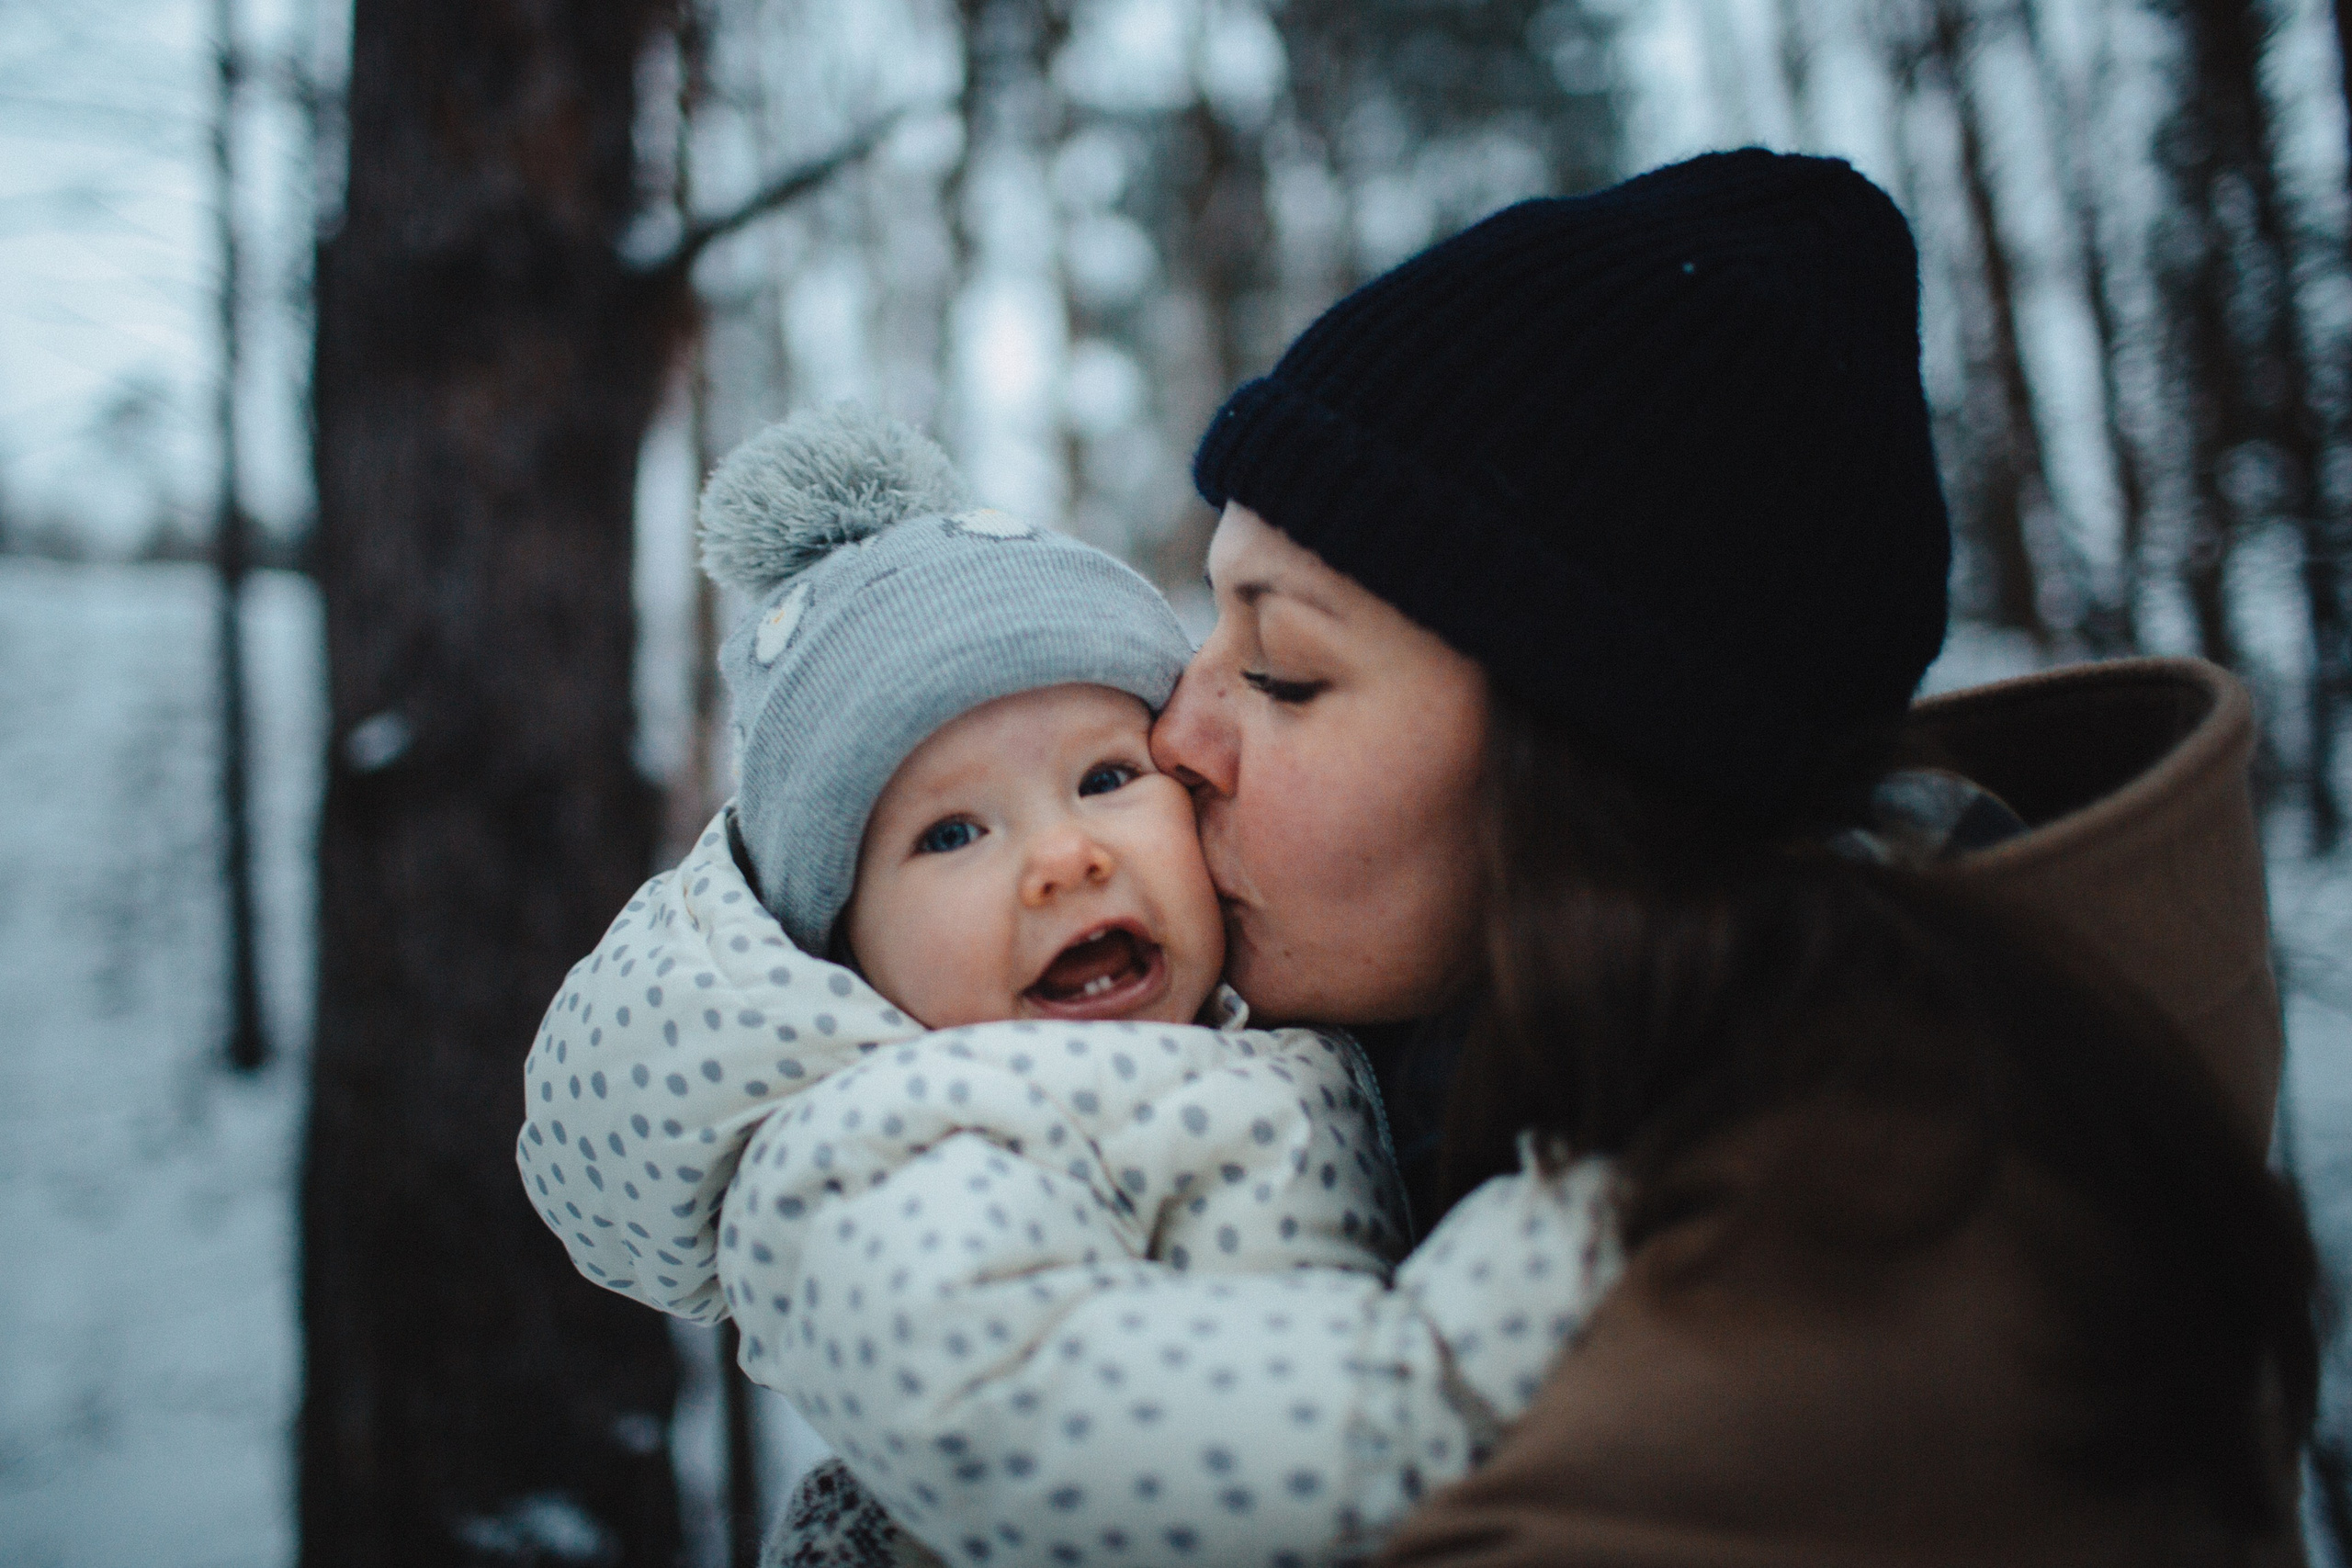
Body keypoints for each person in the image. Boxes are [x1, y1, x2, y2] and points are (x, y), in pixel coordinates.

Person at [1147, 147, 2317, 1563]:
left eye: (1282, 669)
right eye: (1208, 625)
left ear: (1592, 753)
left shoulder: (1866, 1304)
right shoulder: (1539, 1098)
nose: (1176, 735)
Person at [518, 405, 1623, 1566]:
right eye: (952, 834)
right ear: (844, 951)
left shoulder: (1272, 1017)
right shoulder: (885, 1144)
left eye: (1104, 777)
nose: (1066, 857)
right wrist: (1499, 1327)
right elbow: (1030, 1429)